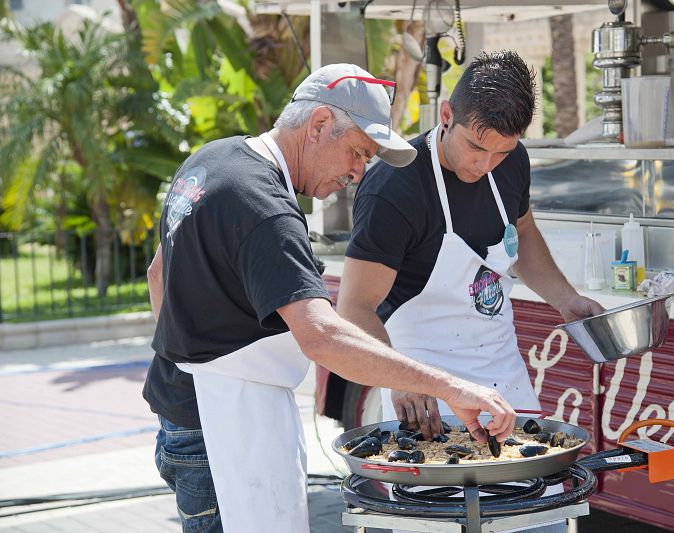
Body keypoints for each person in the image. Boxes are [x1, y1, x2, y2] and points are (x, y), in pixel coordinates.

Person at [143, 63, 517, 533]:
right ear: (319, 124)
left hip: (180, 414)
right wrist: (450, 387)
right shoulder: (265, 207)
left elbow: (160, 274)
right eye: (358, 152)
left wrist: (190, 360)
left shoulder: (209, 162)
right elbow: (322, 337)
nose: (358, 172)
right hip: (222, 431)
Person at [337, 51, 603, 531]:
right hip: (422, 388)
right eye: (477, 148)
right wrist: (399, 381)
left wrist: (566, 299)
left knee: (535, 514)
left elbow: (522, 235)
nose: (486, 164)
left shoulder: (511, 162)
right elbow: (353, 306)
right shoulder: (394, 187)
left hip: (503, 378)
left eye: (502, 152)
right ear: (446, 116)